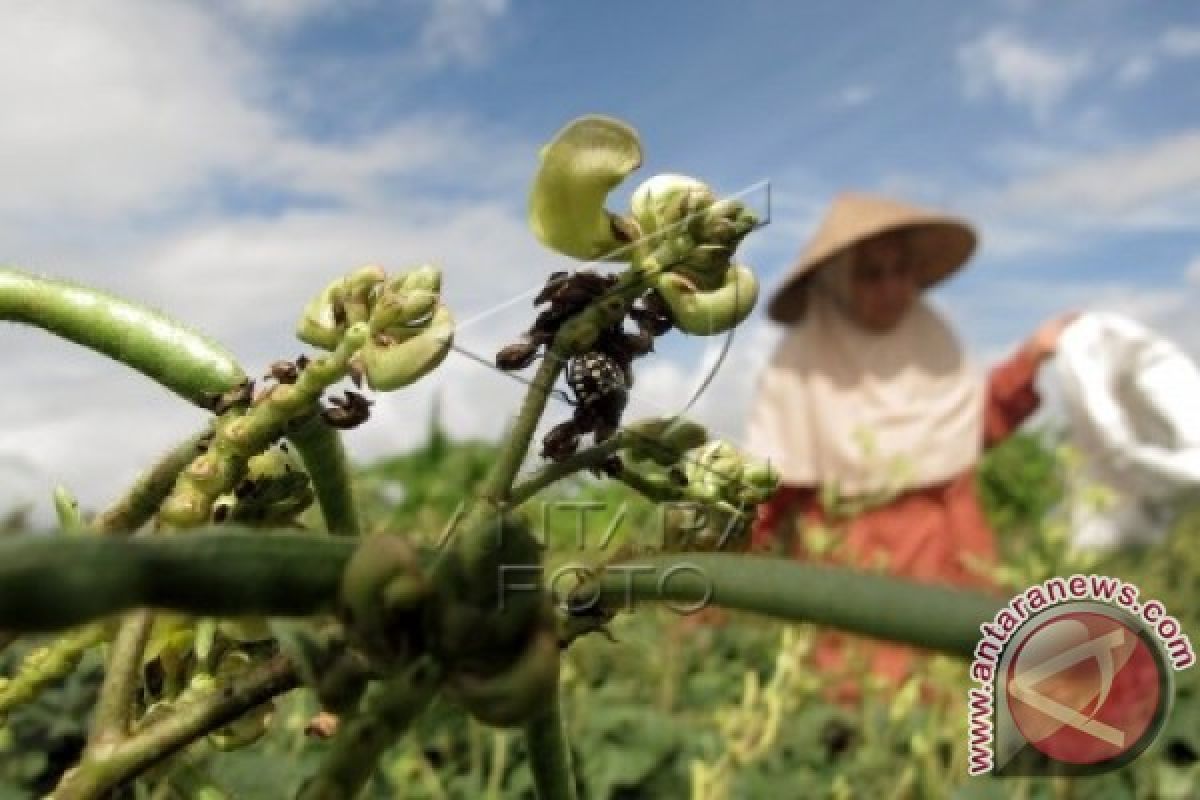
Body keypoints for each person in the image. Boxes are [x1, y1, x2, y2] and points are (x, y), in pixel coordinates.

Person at [745, 192, 1072, 700]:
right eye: (870, 274)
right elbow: (766, 496)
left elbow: (974, 425)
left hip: (955, 568)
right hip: (855, 595)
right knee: (863, 725)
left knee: (960, 722)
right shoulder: (799, 373)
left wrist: (1031, 358)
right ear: (835, 283)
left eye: (901, 270)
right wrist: (707, 595)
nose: (892, 287)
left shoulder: (934, 347)